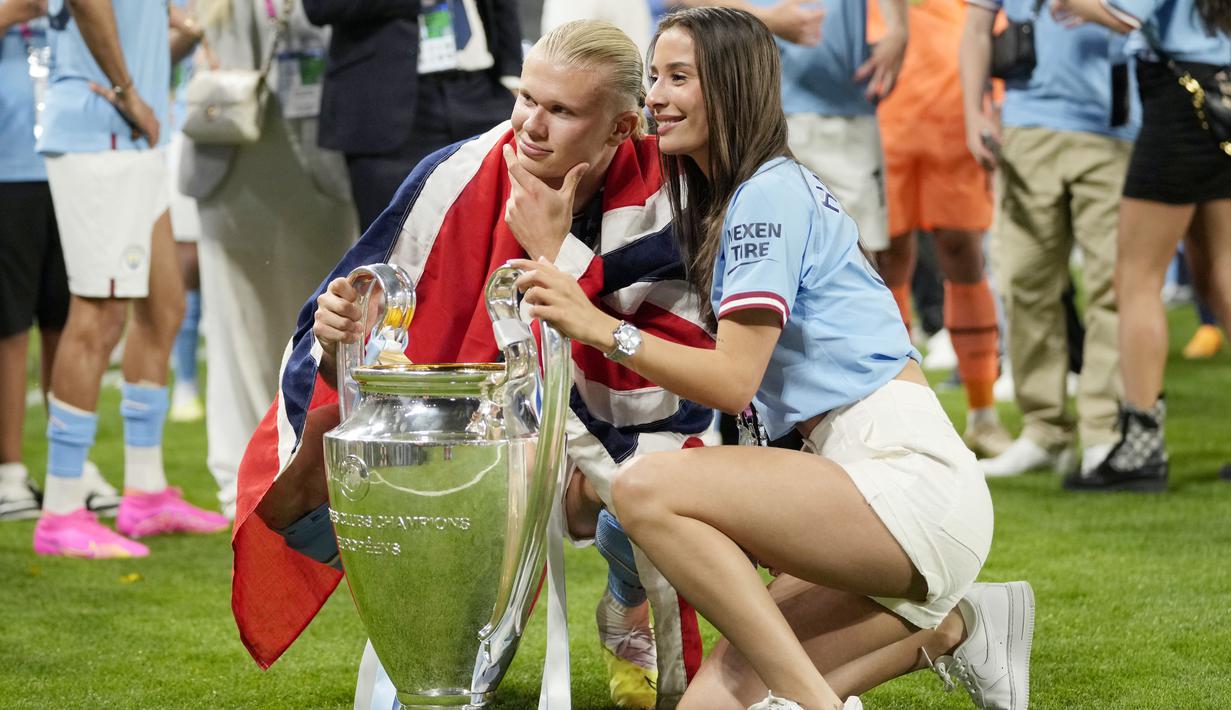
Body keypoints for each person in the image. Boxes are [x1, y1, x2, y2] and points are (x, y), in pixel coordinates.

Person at [512, 9, 1033, 710]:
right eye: (652, 79)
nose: (654, 98)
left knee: (642, 489)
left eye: (676, 78)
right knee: (719, 704)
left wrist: (598, 328)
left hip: (900, 483)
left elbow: (730, 382)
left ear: (729, 87)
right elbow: (622, 279)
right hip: (851, 483)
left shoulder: (763, 199)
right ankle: (958, 628)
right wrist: (560, 259)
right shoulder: (735, 195)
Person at [228, 21, 715, 709]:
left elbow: (678, 384)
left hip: (627, 423)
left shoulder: (675, 189)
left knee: (653, 489)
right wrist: (344, 340)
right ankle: (443, 657)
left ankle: (627, 597)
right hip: (497, 430)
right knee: (367, 473)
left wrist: (554, 256)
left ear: (620, 128)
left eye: (562, 111)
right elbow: (360, 322)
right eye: (526, 98)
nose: (531, 126)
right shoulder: (456, 175)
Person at [31, 0, 228, 559]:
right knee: (98, 315)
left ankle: (145, 492)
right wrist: (126, 92)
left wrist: (181, 40)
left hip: (133, 132)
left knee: (164, 307)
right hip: (102, 128)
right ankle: (62, 509)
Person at [179, 0, 358, 519]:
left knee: (316, 324)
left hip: (316, 163)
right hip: (229, 153)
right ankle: (234, 479)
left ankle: (305, 471)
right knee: (234, 324)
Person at [1048, 0, 1231, 490]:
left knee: (1136, 278)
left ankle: (1142, 448)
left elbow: (1125, 13)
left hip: (1179, 100)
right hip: (1221, 88)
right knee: (1220, 271)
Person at [960, 0, 1138, 479]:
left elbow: (1152, 22)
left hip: (1116, 126)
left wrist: (1092, 9)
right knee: (1022, 281)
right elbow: (976, 27)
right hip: (1026, 124)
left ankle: (1104, 432)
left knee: (1112, 288)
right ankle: (1045, 430)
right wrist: (973, 112)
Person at [869, 0, 1013, 459]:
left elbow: (991, 26)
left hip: (954, 114)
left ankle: (983, 414)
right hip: (881, 114)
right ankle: (902, 416)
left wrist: (993, 103)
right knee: (885, 262)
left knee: (963, 252)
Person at [302, 0, 523, 231]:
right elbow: (319, 6)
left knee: (496, 236)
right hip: (386, 103)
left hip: (482, 91)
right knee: (396, 244)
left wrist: (512, 73)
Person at [0, 1, 72, 521]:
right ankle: (7, 470)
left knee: (65, 318)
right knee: (8, 324)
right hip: (7, 164)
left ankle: (68, 468)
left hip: (71, 157)